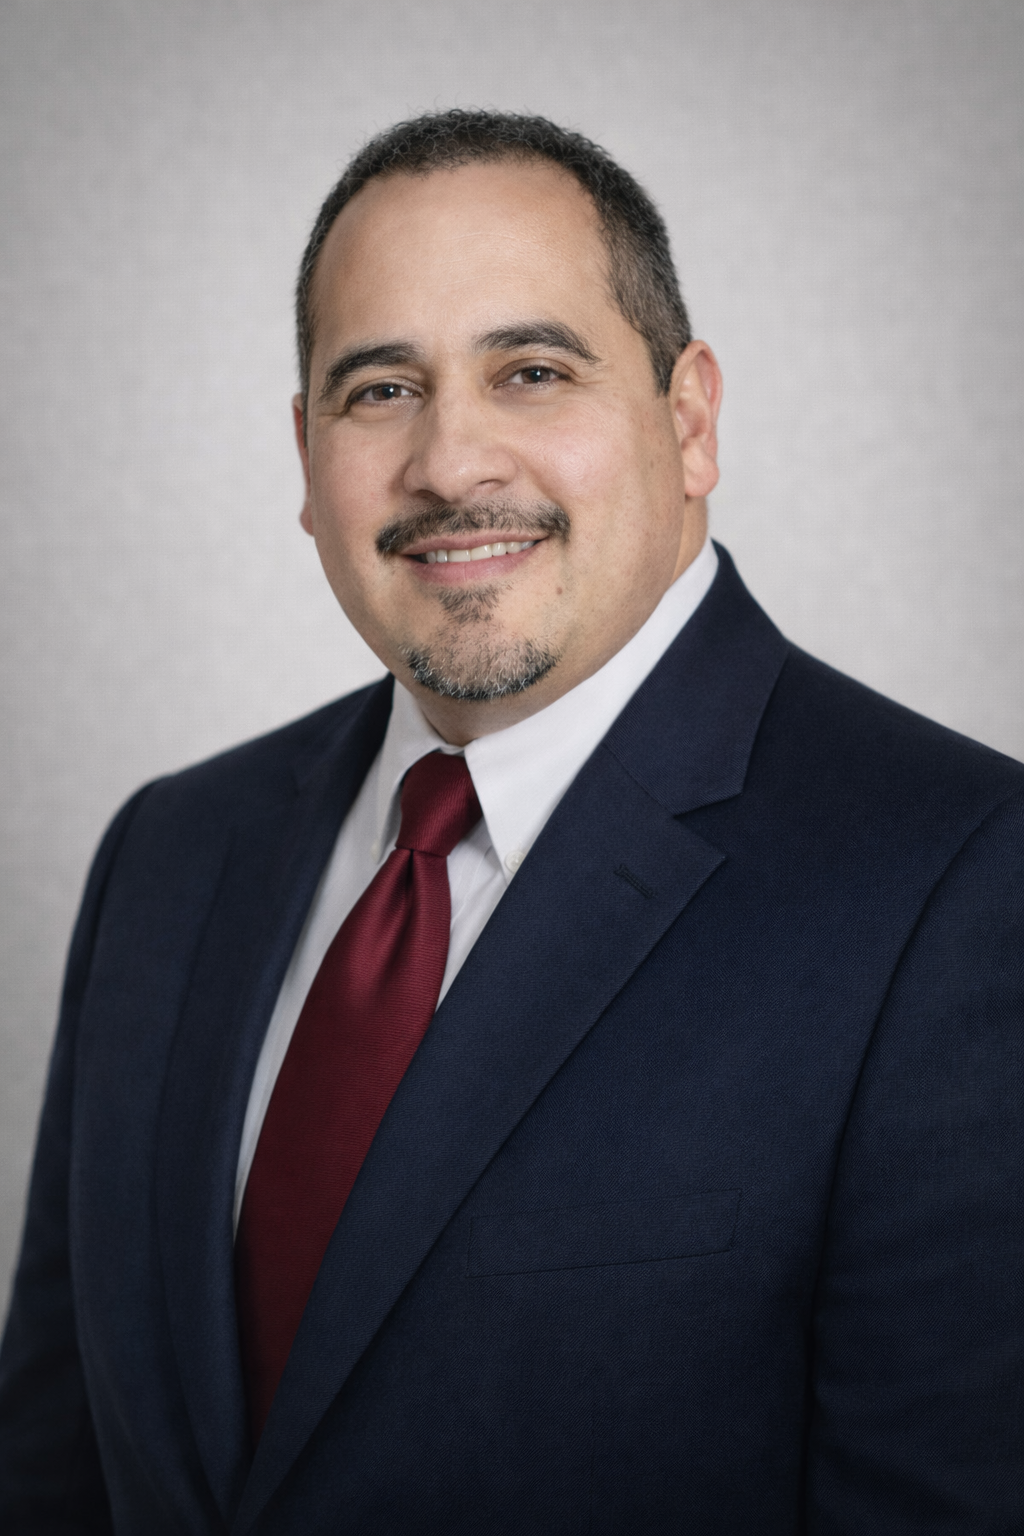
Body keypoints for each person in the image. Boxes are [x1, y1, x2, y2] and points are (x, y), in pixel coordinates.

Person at [0, 109, 1020, 1535]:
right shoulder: (170, 855)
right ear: (306, 457)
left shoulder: (960, 881)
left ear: (689, 419)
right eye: (378, 391)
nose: (450, 462)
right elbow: (53, 1473)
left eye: (531, 371)